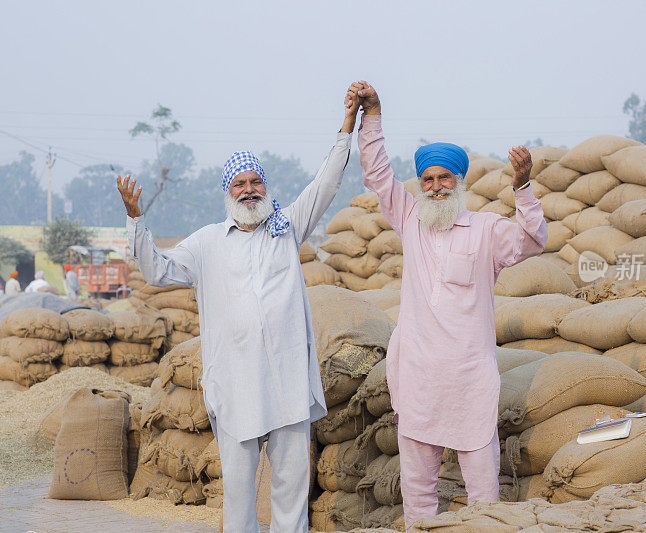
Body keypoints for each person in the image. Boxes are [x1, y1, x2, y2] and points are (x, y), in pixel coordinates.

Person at [117, 85, 359, 533]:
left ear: (265, 186)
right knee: (238, 493)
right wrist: (136, 219)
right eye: (240, 184)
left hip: (286, 383)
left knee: (291, 488)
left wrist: (347, 126)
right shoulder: (207, 242)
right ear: (228, 192)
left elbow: (326, 183)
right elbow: (157, 272)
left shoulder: (287, 228)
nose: (249, 191)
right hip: (237, 386)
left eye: (255, 182)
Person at [352, 80, 548, 528]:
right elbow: (377, 172)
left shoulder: (486, 230)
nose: (436, 186)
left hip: (469, 379)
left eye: (444, 178)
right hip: (419, 377)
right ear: (419, 186)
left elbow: (535, 240)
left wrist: (523, 189)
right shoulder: (409, 220)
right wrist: (374, 115)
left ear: (459, 182)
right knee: (417, 490)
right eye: (428, 179)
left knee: (483, 494)